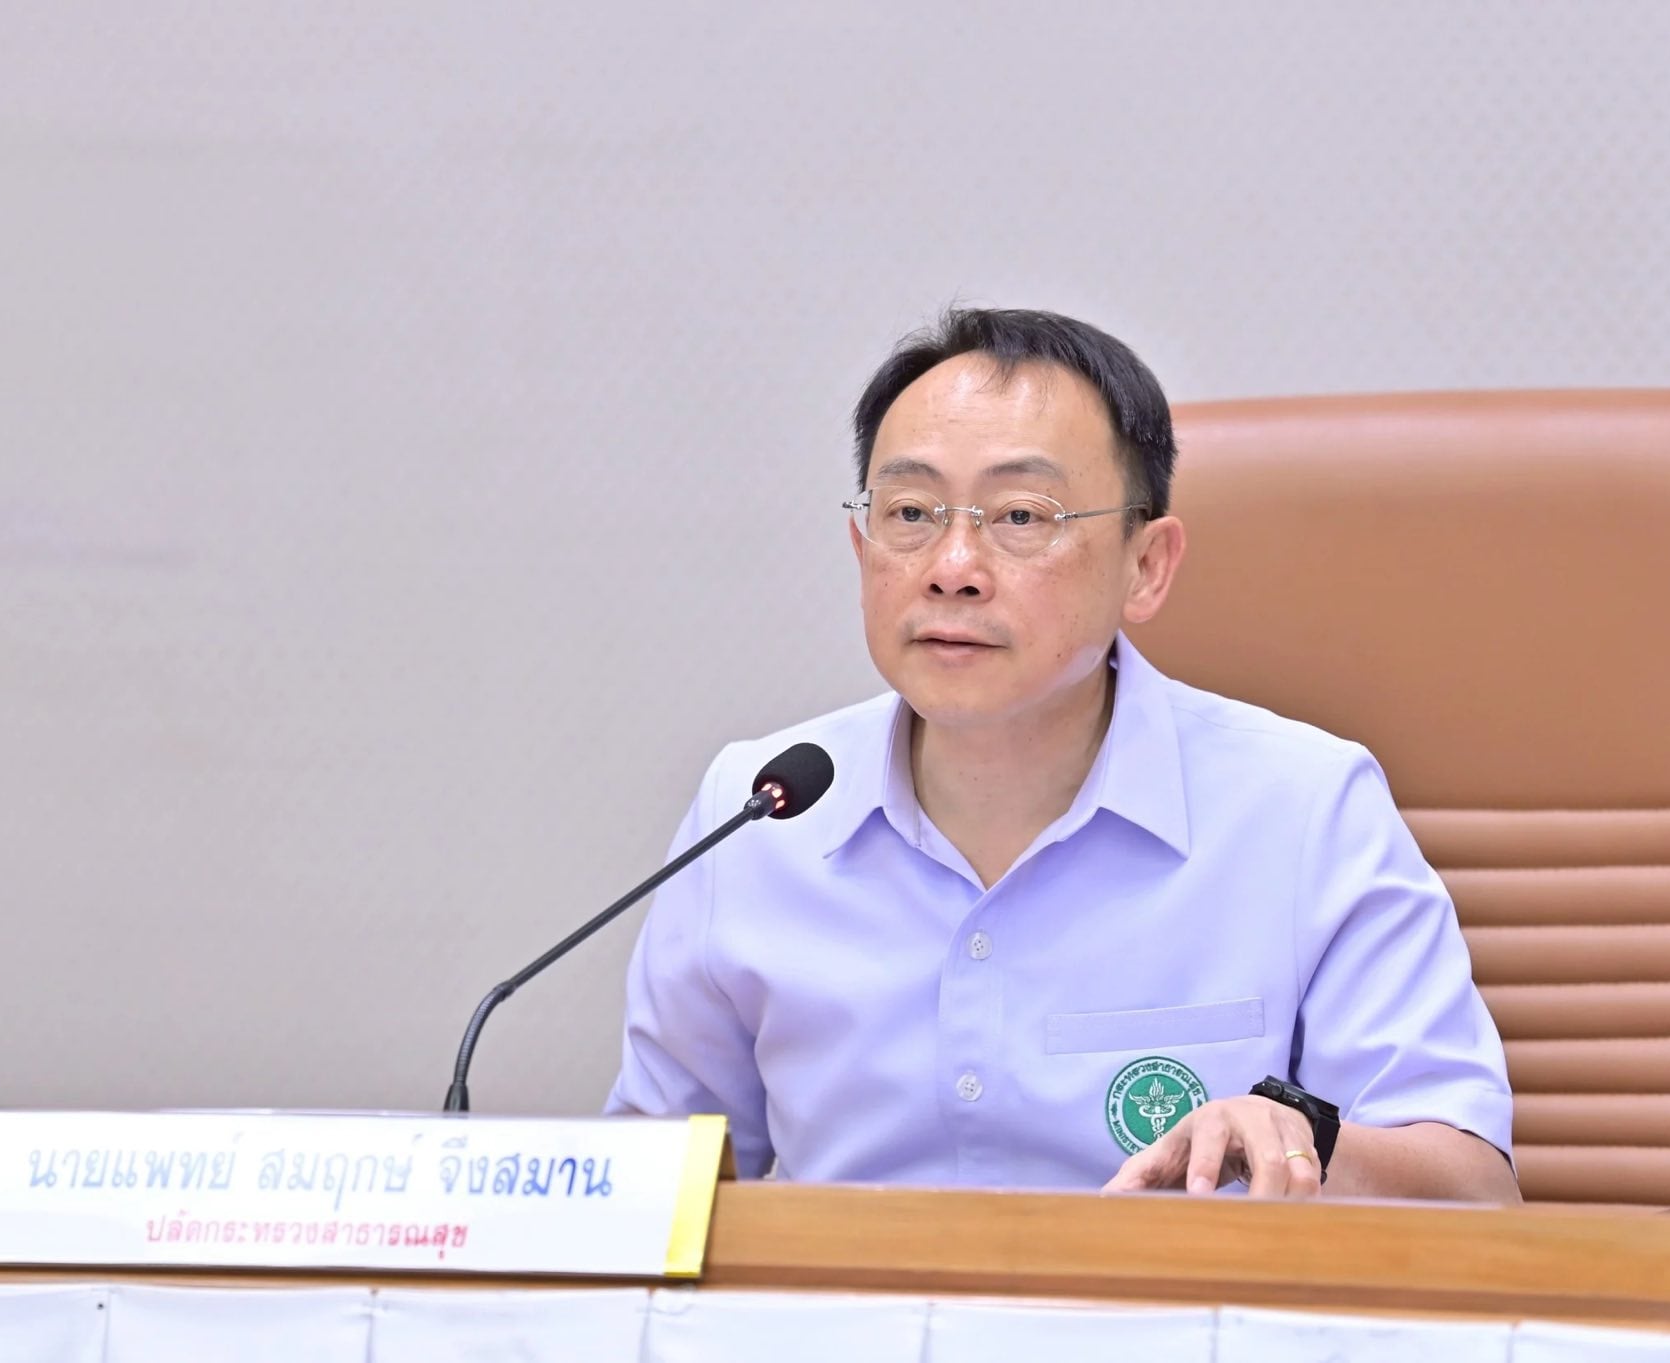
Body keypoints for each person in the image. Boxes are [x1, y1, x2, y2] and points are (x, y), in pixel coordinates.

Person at [606, 308, 1518, 1203]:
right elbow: (640, 1193)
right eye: (911, 512)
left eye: (1020, 515)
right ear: (861, 544)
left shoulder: (1304, 808)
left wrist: (1303, 1138)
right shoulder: (759, 811)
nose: (952, 566)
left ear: (1146, 566)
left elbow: (1477, 1196)